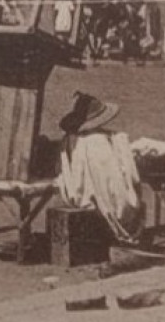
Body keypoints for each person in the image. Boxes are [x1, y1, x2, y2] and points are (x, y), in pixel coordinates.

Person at [55, 91, 145, 246]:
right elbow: (127, 177)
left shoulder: (71, 141)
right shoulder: (107, 140)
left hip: (83, 194)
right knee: (129, 195)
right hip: (109, 197)